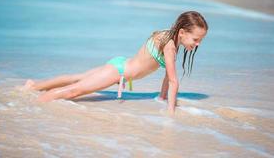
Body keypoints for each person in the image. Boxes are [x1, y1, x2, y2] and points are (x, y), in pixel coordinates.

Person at [25, 11, 208, 114]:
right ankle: (30, 105)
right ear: (182, 32)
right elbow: (174, 80)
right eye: (196, 39)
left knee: (76, 79)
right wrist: (171, 112)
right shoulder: (170, 46)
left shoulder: (169, 36)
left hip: (119, 63)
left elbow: (168, 77)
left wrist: (161, 98)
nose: (198, 44)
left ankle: (32, 87)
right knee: (75, 90)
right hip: (118, 72)